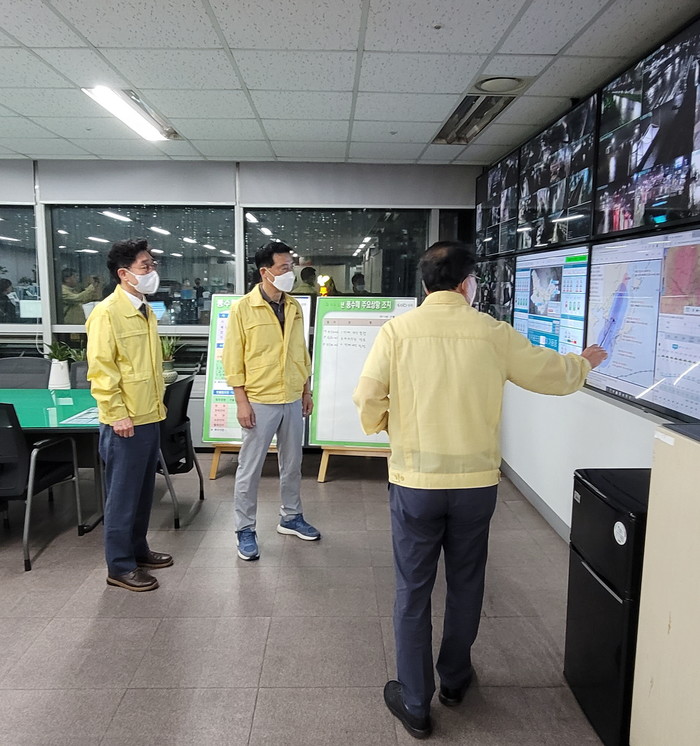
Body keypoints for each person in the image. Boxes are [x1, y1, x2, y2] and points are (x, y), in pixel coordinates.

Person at [353, 241, 607, 739]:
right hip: (475, 485)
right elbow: (552, 375)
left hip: (416, 482)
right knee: (467, 581)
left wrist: (386, 425)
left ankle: (415, 701)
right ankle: (454, 679)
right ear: (468, 284)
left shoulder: (397, 332)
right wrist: (584, 362)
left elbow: (367, 397)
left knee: (412, 589)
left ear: (425, 283)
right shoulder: (492, 333)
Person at [222, 241, 320, 561]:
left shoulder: (294, 306)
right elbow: (233, 359)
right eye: (284, 268)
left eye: (291, 267)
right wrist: (241, 401)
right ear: (265, 272)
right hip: (259, 400)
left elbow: (301, 353)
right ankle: (245, 528)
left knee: (292, 464)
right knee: (249, 469)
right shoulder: (243, 308)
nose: (290, 272)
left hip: (291, 396)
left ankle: (291, 517)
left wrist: (306, 391)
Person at [86, 238, 173, 592]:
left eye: (153, 265)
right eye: (145, 266)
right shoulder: (107, 313)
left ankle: (138, 550)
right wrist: (116, 414)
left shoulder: (144, 308)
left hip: (148, 414)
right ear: (124, 273)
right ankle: (119, 566)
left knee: (141, 492)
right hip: (125, 421)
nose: (152, 271)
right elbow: (101, 370)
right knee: (122, 497)